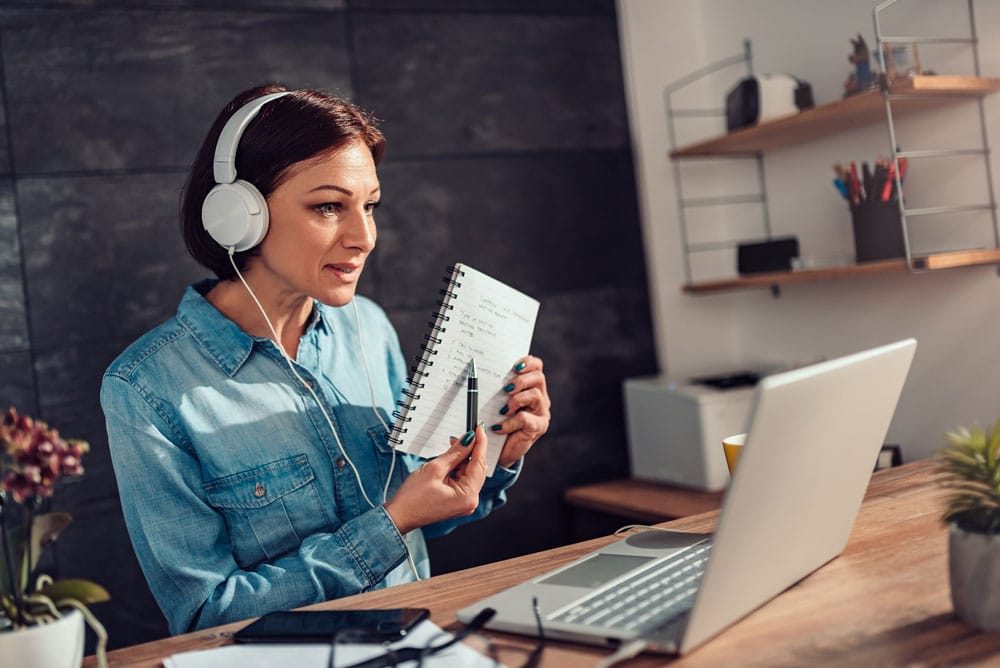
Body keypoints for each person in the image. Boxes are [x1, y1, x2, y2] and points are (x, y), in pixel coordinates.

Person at [100, 84, 551, 636]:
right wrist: (391, 523)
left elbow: (422, 518)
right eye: (329, 206)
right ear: (238, 216)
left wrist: (501, 454)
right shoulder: (145, 388)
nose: (364, 237)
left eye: (370, 206)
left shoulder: (369, 329)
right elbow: (203, 615)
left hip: (417, 643)